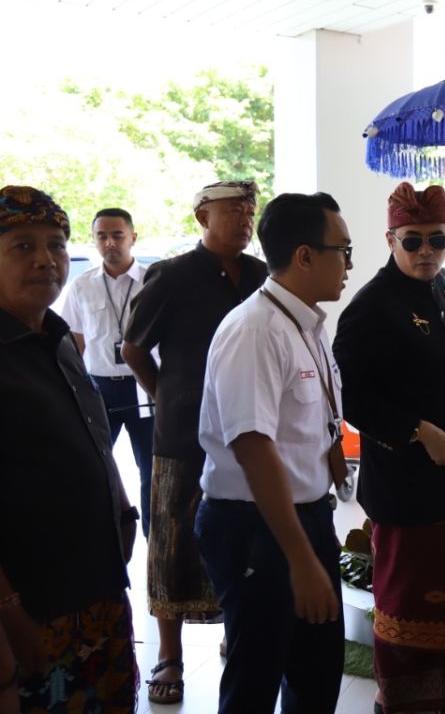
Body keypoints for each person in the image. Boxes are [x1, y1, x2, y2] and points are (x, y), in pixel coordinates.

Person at [333, 182, 445, 714]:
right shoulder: (370, 309)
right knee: (407, 598)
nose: (426, 251)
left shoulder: (442, 291)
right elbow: (352, 396)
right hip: (403, 485)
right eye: (412, 241)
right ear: (389, 239)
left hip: (444, 480)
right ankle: (402, 702)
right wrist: (419, 431)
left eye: (438, 240)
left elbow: (437, 367)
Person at [195, 192, 352, 714]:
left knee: (316, 670)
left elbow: (306, 423)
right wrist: (300, 559)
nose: (349, 264)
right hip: (256, 528)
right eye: (342, 251)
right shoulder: (256, 330)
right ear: (305, 256)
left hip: (303, 516)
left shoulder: (305, 323)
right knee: (256, 677)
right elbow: (253, 447)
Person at [122, 180, 268, 705]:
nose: (244, 219)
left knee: (241, 533)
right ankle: (170, 654)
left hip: (245, 427)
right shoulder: (173, 274)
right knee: (171, 539)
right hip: (183, 432)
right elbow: (133, 346)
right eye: (232, 210)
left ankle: (235, 624)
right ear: (203, 216)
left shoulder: (258, 274)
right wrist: (164, 394)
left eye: (249, 211)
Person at [0, 186, 138, 712]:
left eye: (56, 245)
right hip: (30, 611)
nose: (45, 259)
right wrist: (9, 611)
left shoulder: (59, 338)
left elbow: (94, 438)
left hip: (97, 588)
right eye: (22, 246)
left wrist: (122, 507)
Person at [60, 208, 155, 537]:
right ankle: (102, 537)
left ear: (133, 238)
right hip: (99, 388)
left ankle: (154, 540)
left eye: (117, 235)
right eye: (102, 236)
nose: (110, 242)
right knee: (94, 465)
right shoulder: (81, 286)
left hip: (145, 384)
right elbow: (76, 344)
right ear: (94, 240)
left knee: (151, 469)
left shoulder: (153, 281)